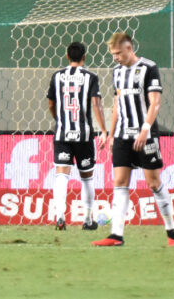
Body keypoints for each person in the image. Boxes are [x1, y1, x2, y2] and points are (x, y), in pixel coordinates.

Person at [92, 32, 174, 247]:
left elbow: (155, 102)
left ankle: (172, 233)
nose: (116, 57)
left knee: (154, 183)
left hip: (145, 136)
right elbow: (117, 104)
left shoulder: (149, 68)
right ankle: (116, 235)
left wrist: (145, 129)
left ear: (129, 48)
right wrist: (111, 134)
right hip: (122, 135)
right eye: (113, 54)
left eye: (118, 53)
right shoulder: (117, 71)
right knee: (120, 182)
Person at [47, 41, 108, 231]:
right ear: (84, 58)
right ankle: (88, 219)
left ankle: (59, 217)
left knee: (61, 174)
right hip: (84, 135)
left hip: (62, 133)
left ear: (67, 56)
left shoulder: (56, 76)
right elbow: (96, 104)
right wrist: (104, 131)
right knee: (87, 177)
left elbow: (50, 103)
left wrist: (59, 119)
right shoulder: (91, 77)